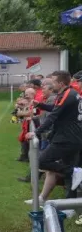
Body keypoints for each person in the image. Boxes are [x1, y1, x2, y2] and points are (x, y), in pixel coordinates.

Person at [25, 70, 82, 202]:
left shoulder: (68, 94)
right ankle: (70, 204)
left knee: (42, 160)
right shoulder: (68, 93)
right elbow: (55, 110)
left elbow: (53, 116)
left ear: (61, 83)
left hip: (66, 138)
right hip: (71, 138)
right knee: (69, 176)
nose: (51, 85)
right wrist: (40, 104)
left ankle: (76, 172)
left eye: (53, 82)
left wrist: (36, 132)